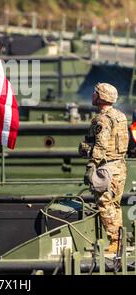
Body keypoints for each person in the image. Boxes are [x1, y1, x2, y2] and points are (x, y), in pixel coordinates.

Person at [79, 83, 129, 253]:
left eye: (95, 93)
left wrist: (91, 164)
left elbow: (101, 144)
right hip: (119, 166)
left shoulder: (102, 119)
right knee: (114, 204)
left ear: (101, 97)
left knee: (105, 204)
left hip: (106, 168)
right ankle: (119, 239)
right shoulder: (120, 116)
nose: (93, 95)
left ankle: (115, 241)